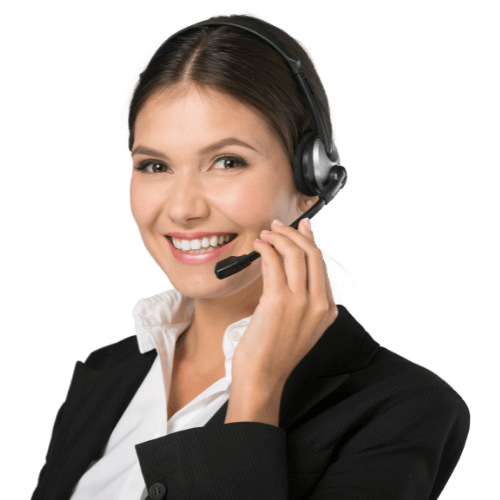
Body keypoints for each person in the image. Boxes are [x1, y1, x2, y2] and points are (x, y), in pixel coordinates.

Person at [31, 12, 470, 500]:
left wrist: (256, 391)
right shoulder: (104, 373)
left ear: (311, 181)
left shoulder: (402, 411)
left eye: (227, 161)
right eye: (155, 165)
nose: (182, 208)